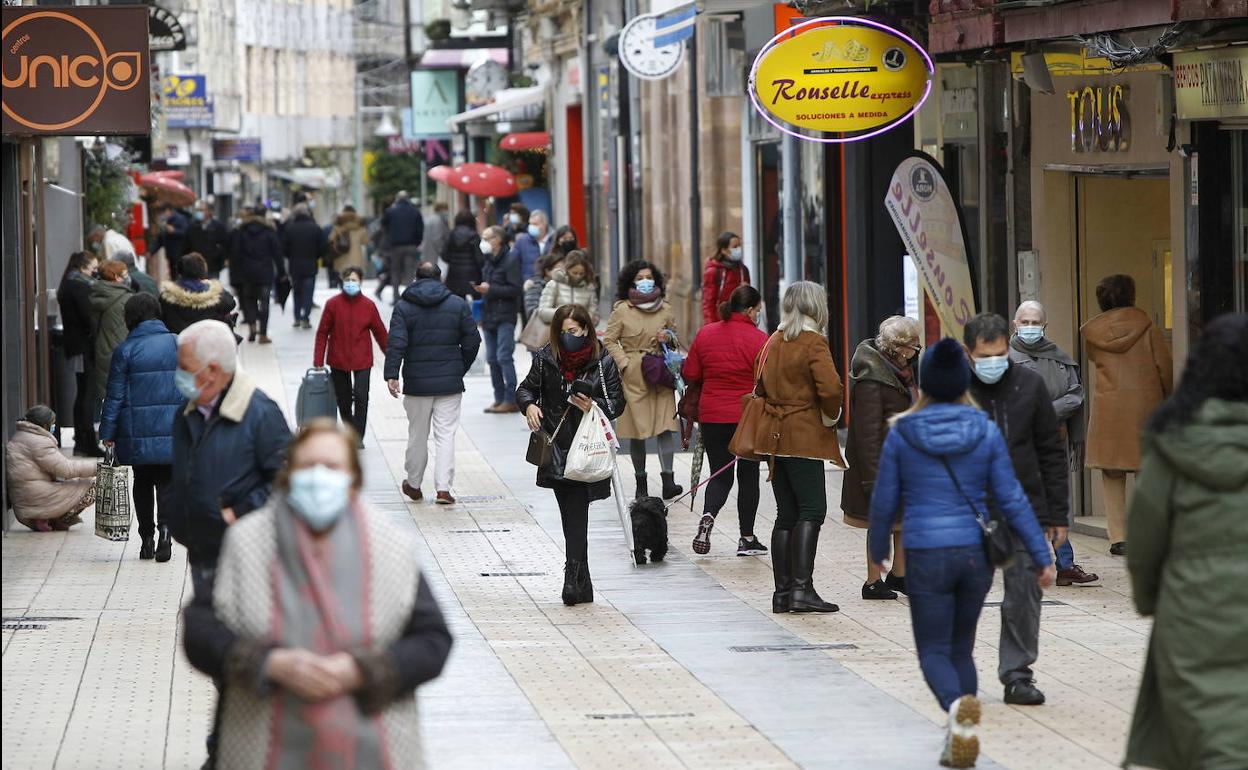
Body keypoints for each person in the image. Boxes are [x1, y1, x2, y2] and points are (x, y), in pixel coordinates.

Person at [182, 420, 453, 768]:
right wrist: (269, 664)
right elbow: (201, 628)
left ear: (352, 480)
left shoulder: (391, 546)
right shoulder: (247, 541)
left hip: (371, 748)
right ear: (288, 474)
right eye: (308, 466)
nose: (319, 477)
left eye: (332, 467)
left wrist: (362, 671)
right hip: (263, 744)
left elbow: (433, 640)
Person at [868, 338, 1056, 770]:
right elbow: (1011, 498)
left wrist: (879, 549)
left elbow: (885, 499)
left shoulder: (903, 432)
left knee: (933, 650)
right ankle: (962, 732)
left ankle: (956, 709)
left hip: (927, 554)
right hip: (975, 555)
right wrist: (1041, 554)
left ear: (924, 382)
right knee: (961, 649)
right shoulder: (984, 429)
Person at [1123, 314, 1248, 770]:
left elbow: (1145, 538)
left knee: (1210, 736)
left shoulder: (1176, 443)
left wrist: (1151, 599)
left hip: (1194, 612)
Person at [964, 312, 1069, 706]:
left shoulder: (1030, 385)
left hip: (1024, 510)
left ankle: (1018, 674)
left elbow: (1051, 453)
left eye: (1000, 354)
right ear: (968, 353)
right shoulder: (953, 391)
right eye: (983, 355)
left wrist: (1058, 516)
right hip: (968, 513)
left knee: (1024, 595)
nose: (993, 362)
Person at [737, 281, 845, 614]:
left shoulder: (772, 341)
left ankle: (782, 593)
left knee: (786, 514)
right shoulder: (813, 343)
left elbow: (760, 383)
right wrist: (830, 417)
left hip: (773, 435)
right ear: (816, 307)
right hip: (804, 433)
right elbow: (831, 388)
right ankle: (802, 590)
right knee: (812, 510)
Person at [169, 320, 292, 599]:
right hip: (200, 549)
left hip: (247, 559)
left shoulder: (261, 414)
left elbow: (287, 482)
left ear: (212, 371)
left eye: (185, 368)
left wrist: (237, 514)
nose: (178, 375)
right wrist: (175, 508)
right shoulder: (187, 414)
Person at [516, 304, 625, 605]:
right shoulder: (545, 358)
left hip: (587, 446)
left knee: (576, 511)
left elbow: (617, 402)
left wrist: (593, 406)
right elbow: (525, 389)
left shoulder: (602, 361)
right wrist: (529, 406)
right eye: (563, 332)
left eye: (574, 332)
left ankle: (571, 577)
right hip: (556, 446)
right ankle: (583, 581)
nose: (568, 338)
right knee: (570, 513)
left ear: (586, 329)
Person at [1080, 274, 1173, 556]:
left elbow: (1095, 361)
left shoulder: (1092, 333)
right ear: (1131, 295)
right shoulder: (1147, 327)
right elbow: (1164, 368)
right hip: (1146, 406)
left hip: (1109, 408)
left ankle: (1118, 537)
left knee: (1112, 474)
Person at [1010, 301, 1098, 586]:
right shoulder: (1003, 359)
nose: (1030, 328)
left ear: (1045, 325)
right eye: (1024, 322)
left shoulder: (1059, 358)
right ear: (1014, 324)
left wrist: (1046, 411)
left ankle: (1066, 564)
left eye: (1035, 322)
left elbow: (1075, 394)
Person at [683, 285, 768, 556]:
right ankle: (746, 538)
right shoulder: (759, 339)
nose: (759, 315)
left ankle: (708, 517)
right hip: (746, 418)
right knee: (748, 475)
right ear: (751, 310)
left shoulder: (706, 333)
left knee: (719, 473)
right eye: (758, 311)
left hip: (712, 416)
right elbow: (766, 380)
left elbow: (691, 372)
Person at [385, 262, 480, 504]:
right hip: (449, 384)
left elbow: (396, 342)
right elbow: (472, 340)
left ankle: (414, 484)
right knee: (446, 435)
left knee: (417, 434)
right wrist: (459, 368)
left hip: (417, 384)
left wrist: (392, 374)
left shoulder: (404, 306)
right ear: (441, 278)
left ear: (416, 278)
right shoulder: (457, 304)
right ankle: (443, 489)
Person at [841, 315, 920, 600]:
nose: (917, 350)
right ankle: (873, 581)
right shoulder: (872, 379)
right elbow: (868, 433)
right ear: (898, 348)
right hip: (880, 467)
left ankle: (899, 575)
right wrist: (873, 479)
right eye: (913, 345)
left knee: (903, 520)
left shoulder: (901, 372)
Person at [99, 294, 182, 561]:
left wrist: (108, 433)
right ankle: (166, 532)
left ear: (130, 318)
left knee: (142, 481)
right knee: (168, 483)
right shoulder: (177, 343)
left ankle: (146, 538)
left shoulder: (124, 350)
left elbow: (114, 396)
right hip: (172, 429)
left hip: (137, 433)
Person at [604, 260, 684, 499]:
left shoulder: (665, 308)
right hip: (634, 376)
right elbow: (609, 340)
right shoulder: (622, 310)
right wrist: (624, 363)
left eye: (649, 276)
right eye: (640, 277)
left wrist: (667, 337)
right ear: (631, 281)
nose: (646, 281)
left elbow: (675, 338)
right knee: (637, 430)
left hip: (660, 373)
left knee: (665, 427)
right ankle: (641, 483)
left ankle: (668, 480)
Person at [314, 266, 388, 445]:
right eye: (347, 280)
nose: (350, 283)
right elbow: (322, 332)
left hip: (362, 359)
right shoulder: (333, 304)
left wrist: (392, 357)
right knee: (344, 399)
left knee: (362, 397)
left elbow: (380, 333)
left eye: (354, 280)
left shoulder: (368, 306)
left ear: (361, 282)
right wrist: (318, 360)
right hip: (338, 358)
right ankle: (349, 430)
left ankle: (358, 436)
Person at [5, 405, 97, 532]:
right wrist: (96, 468)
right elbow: (66, 470)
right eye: (52, 424)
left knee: (70, 483)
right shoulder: (39, 442)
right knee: (92, 486)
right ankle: (49, 518)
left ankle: (46, 518)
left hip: (25, 499)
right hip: (36, 499)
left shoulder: (20, 437)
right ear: (44, 425)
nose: (54, 427)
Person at [57, 251, 103, 456]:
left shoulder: (69, 283)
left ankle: (82, 440)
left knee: (83, 393)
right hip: (83, 347)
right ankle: (87, 442)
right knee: (87, 394)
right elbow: (88, 316)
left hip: (75, 346)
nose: (96, 271)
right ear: (83, 267)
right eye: (93, 267)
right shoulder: (78, 286)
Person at [476, 226, 523, 413]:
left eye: (487, 238)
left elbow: (515, 289)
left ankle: (511, 399)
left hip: (505, 315)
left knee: (504, 356)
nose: (483, 242)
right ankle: (499, 397)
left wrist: (491, 289)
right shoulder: (488, 260)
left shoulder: (510, 260)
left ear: (498, 240)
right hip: (489, 315)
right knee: (492, 359)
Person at [231, 204, 286, 344]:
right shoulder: (269, 231)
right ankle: (263, 334)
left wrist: (235, 274)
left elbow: (235, 253)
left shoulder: (242, 231)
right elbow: (277, 254)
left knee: (249, 301)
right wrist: (282, 272)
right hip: (265, 272)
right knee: (265, 302)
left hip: (246, 273)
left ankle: (252, 328)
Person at [90, 259, 136, 402]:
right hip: (125, 352)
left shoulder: (95, 295)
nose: (128, 277)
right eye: (124, 274)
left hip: (102, 350)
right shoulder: (127, 299)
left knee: (108, 398)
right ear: (116, 277)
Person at [159, 253, 237, 335]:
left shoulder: (166, 296)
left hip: (177, 341)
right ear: (203, 270)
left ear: (179, 271)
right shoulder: (215, 294)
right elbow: (231, 303)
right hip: (207, 340)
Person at [282, 202, 328, 329]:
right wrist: (316, 256)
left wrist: (291, 255)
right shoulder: (315, 228)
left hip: (295, 266)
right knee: (308, 292)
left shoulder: (290, 229)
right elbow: (323, 247)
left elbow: (284, 248)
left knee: (297, 292)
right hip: (310, 265)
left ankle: (296, 317)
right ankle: (305, 318)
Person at [381, 191, 424, 301]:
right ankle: (409, 297)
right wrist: (417, 242)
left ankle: (396, 297)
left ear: (397, 199)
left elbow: (383, 226)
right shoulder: (415, 212)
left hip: (395, 247)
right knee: (409, 271)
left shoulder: (390, 211)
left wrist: (389, 239)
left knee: (395, 271)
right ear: (408, 199)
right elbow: (420, 229)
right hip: (411, 246)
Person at [701, 231, 749, 327]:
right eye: (735, 247)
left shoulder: (743, 270)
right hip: (720, 322)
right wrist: (711, 327)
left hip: (740, 323)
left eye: (739, 246)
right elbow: (708, 304)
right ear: (723, 250)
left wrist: (746, 291)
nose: (739, 249)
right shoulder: (713, 272)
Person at [537, 250, 599, 325]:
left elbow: (594, 313)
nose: (578, 276)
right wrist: (566, 314)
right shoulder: (554, 284)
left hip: (581, 332)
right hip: (556, 331)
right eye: (574, 273)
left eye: (581, 273)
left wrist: (587, 319)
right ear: (567, 269)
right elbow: (542, 312)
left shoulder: (589, 288)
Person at [444, 209, 483, 299]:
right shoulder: (474, 235)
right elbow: (479, 258)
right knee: (476, 298)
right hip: (472, 274)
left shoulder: (452, 235)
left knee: (458, 300)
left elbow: (444, 255)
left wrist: (453, 261)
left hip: (454, 274)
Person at [186, 201, 231, 278]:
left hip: (213, 265)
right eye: (198, 210)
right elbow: (187, 244)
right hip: (196, 266)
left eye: (202, 210)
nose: (199, 212)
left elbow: (226, 244)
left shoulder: (218, 226)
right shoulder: (192, 226)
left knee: (212, 287)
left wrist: (223, 257)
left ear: (210, 211)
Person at [328, 204, 368, 283]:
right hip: (356, 258)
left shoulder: (338, 226)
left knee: (344, 279)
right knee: (356, 279)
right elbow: (365, 241)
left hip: (342, 256)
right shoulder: (360, 227)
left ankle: (345, 293)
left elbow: (330, 239)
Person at [512, 204, 545, 281]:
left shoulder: (552, 240)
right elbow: (513, 263)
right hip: (528, 284)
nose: (531, 226)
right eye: (530, 223)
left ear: (544, 225)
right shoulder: (522, 241)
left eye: (535, 224)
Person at [155, 204, 190, 270]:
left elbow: (186, 233)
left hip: (180, 253)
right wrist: (151, 251)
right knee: (173, 273)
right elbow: (160, 239)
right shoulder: (165, 221)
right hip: (170, 254)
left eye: (163, 213)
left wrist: (174, 231)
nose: (162, 215)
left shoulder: (180, 219)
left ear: (168, 210)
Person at [422, 201, 450, 271]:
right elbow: (437, 238)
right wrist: (443, 251)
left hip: (429, 251)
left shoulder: (431, 218)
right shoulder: (437, 220)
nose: (447, 212)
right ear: (441, 209)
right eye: (446, 209)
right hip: (435, 253)